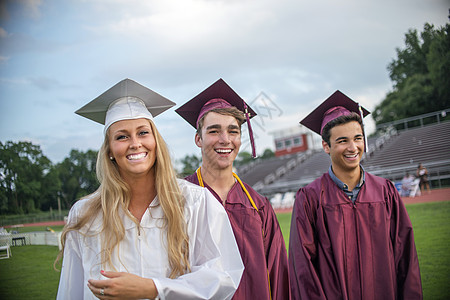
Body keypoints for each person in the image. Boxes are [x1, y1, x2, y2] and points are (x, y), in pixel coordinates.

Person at [55, 79, 244, 300]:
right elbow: (71, 292)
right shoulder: (85, 214)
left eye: (143, 132)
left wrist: (154, 288)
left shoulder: (195, 202)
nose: (135, 143)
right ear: (109, 150)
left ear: (155, 140)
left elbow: (222, 278)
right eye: (122, 136)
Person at [289, 90, 422, 300]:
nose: (353, 148)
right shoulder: (310, 199)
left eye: (358, 138)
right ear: (326, 146)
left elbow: (406, 257)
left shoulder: (385, 192)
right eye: (342, 141)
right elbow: (303, 270)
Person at [175, 78, 290, 300]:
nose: (225, 139)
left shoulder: (259, 206)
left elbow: (277, 277)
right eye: (214, 131)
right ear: (198, 139)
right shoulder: (178, 198)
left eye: (233, 131)